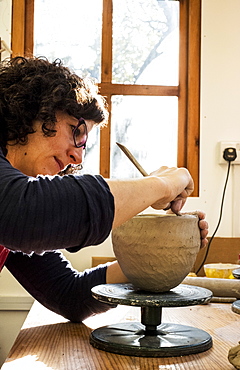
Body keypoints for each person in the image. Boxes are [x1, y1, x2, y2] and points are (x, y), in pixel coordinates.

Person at [0, 56, 208, 322]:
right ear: (37, 108)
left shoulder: (15, 218)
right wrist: (162, 185)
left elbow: (68, 294)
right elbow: (28, 210)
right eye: (77, 133)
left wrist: (155, 256)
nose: (78, 158)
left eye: (84, 145)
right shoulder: (18, 208)